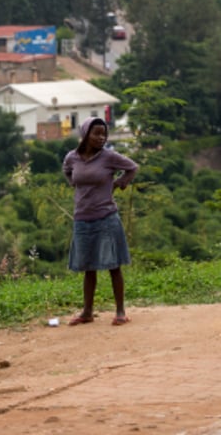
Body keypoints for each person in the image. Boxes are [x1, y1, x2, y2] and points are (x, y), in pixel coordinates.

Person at [63, 116, 138, 326]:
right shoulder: (73, 157)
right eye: (96, 133)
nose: (101, 138)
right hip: (82, 218)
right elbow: (67, 171)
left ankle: (120, 311)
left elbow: (132, 167)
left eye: (103, 134)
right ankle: (87, 312)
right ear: (85, 135)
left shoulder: (108, 157)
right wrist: (76, 186)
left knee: (114, 265)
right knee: (88, 267)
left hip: (106, 217)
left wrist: (119, 183)